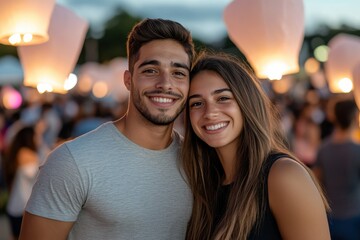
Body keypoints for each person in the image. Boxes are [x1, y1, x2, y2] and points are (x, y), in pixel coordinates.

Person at [19, 18, 195, 240]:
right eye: (151, 70)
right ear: (128, 80)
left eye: (178, 73)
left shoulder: (196, 161)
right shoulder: (73, 161)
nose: (166, 84)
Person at [181, 52, 331, 240]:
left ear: (247, 102)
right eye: (197, 103)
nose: (209, 113)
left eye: (223, 98)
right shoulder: (203, 184)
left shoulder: (283, 175)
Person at [313, 98, 360, 240]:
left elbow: (317, 181)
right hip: (354, 214)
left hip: (331, 216)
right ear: (353, 118)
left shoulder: (323, 148)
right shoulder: (356, 150)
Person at [2, 125, 40, 239]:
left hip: (15, 206)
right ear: (30, 137)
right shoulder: (27, 154)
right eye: (36, 136)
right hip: (24, 207)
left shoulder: (18, 153)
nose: (38, 138)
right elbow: (39, 174)